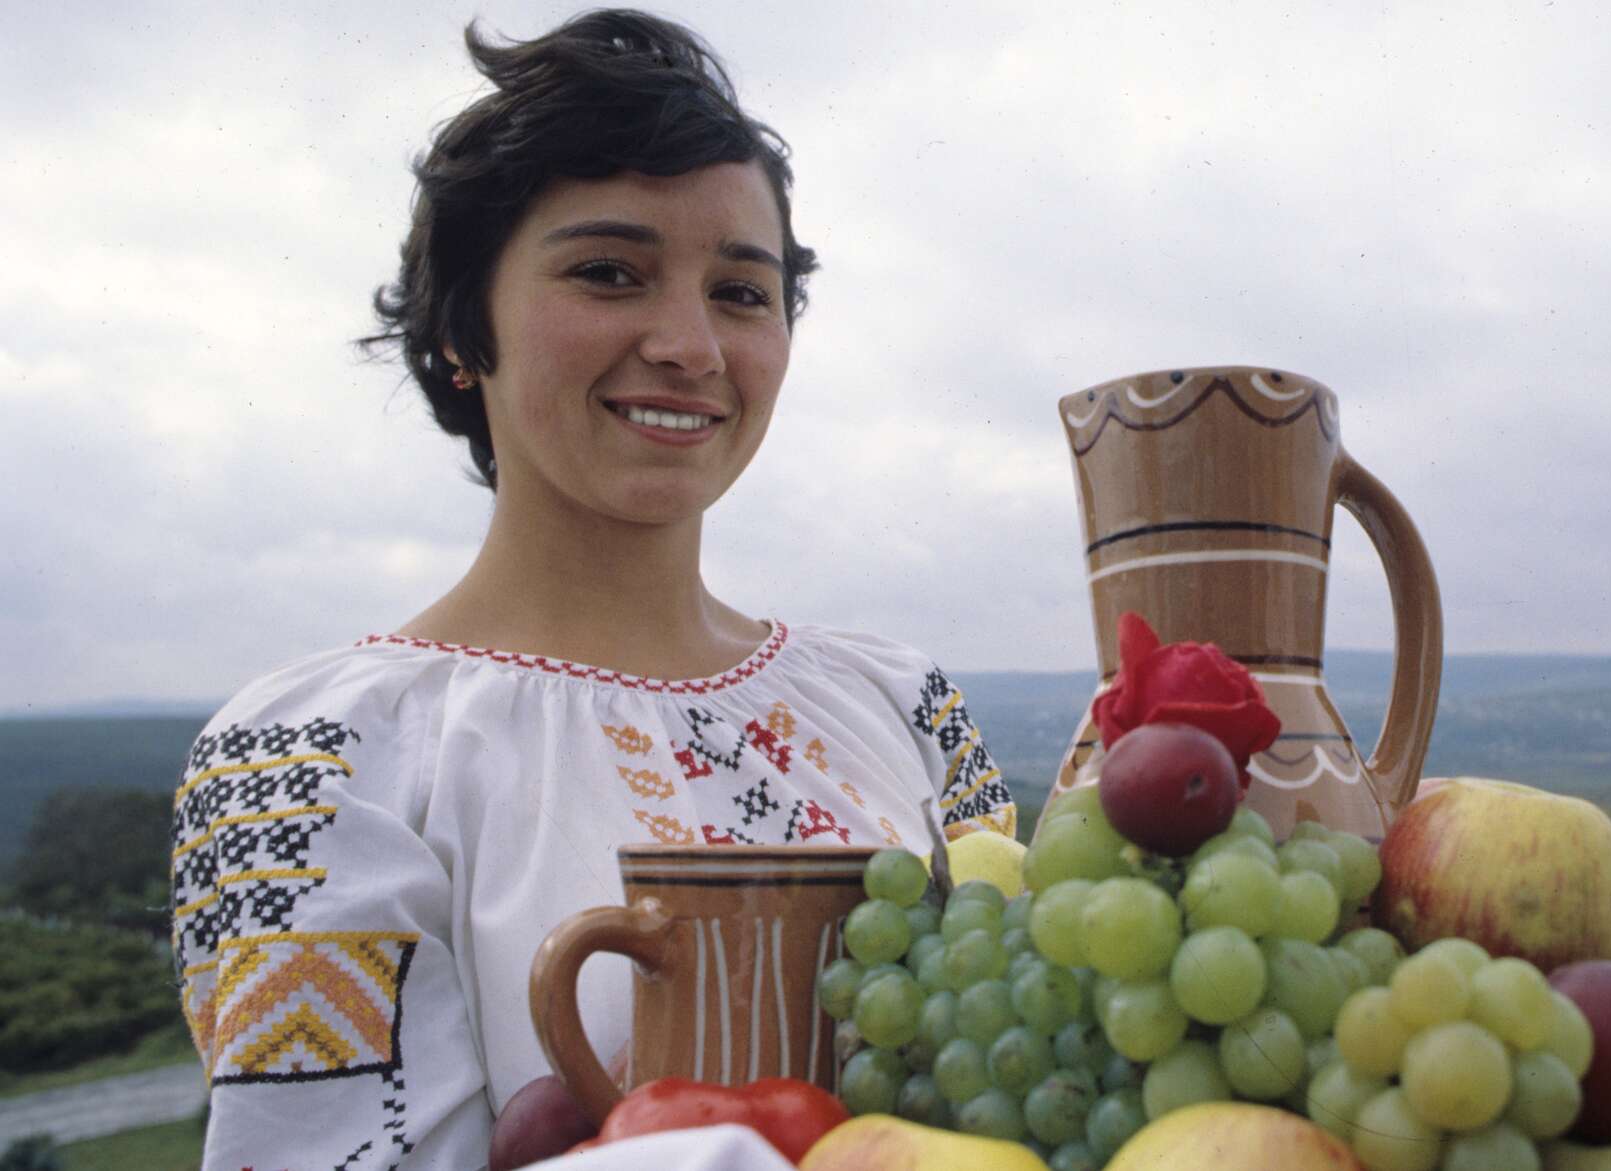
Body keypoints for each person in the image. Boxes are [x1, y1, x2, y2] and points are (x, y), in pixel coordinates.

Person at [169, 11, 1014, 1167]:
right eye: (608, 273)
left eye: (741, 291)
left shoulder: (906, 703)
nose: (689, 345)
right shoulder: (321, 758)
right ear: (464, 330)